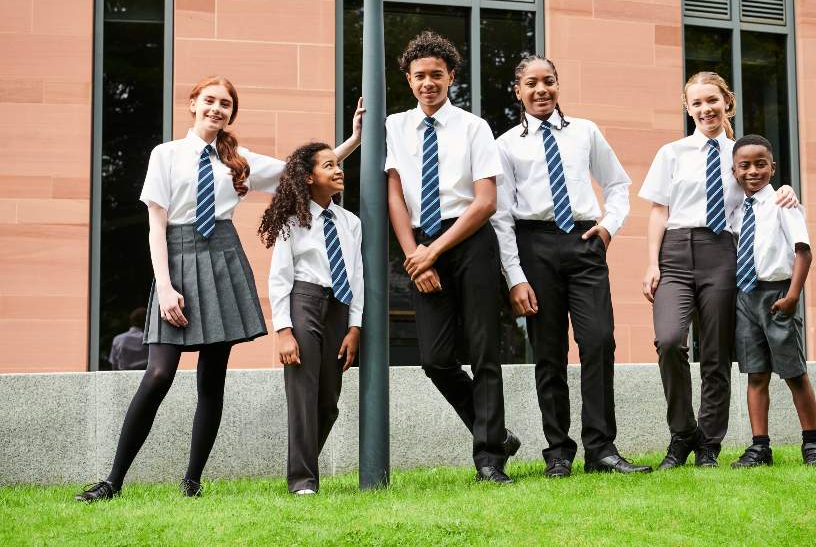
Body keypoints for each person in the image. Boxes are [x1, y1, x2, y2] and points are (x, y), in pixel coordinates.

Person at [75, 79, 364, 502]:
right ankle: (113, 480)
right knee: (158, 374)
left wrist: (353, 140)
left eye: (225, 104)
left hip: (224, 260)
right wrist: (166, 287)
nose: (216, 108)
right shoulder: (166, 154)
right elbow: (156, 225)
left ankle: (192, 482)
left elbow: (306, 170)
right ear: (193, 104)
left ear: (231, 112)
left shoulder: (239, 160)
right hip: (177, 258)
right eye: (209, 101)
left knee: (213, 381)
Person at [492, 56, 651, 477]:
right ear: (518, 91)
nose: (541, 89)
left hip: (584, 242)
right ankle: (558, 452)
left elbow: (618, 184)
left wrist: (608, 227)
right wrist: (516, 277)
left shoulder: (586, 132)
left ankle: (602, 449)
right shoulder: (506, 145)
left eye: (549, 81)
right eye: (531, 83)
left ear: (558, 85)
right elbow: (502, 216)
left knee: (599, 341)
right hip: (535, 245)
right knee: (549, 352)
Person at [638, 72, 798, 470]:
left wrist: (786, 191)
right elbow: (658, 211)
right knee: (670, 340)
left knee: (715, 353)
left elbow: (761, 186)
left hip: (723, 254)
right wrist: (651, 262)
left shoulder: (739, 154)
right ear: (687, 108)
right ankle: (682, 433)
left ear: (727, 102)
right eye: (697, 103)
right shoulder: (671, 153)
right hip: (675, 252)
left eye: (712, 100)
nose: (705, 109)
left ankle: (708, 444)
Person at [386, 31, 519, 484]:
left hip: (469, 239)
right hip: (420, 241)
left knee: (484, 351)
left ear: (451, 78)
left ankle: (488, 458)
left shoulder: (473, 127)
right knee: (436, 359)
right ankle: (497, 434)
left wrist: (433, 253)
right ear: (408, 79)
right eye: (420, 75)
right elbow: (394, 198)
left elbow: (485, 202)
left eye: (437, 75)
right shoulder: (394, 127)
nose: (428, 83)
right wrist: (414, 255)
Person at [260, 143, 363, 493]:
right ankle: (303, 481)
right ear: (308, 177)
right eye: (329, 165)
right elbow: (279, 278)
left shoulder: (351, 223)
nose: (338, 170)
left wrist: (355, 326)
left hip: (339, 307)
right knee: (303, 396)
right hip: (303, 302)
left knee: (328, 402)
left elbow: (358, 276)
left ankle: (303, 463)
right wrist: (284, 331)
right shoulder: (292, 223)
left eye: (339, 164)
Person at [727, 134, 816, 468]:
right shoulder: (737, 208)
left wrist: (793, 295)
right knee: (756, 374)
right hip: (746, 296)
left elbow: (804, 251)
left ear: (773, 167)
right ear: (734, 170)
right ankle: (760, 447)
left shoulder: (784, 204)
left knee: (794, 372)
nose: (753, 171)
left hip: (778, 295)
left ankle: (812, 444)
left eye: (760, 164)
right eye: (745, 165)